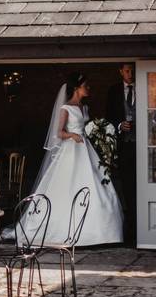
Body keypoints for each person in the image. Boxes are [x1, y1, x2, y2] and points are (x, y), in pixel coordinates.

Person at [20, 72, 123, 246]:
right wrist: (72, 135)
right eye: (86, 86)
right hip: (71, 149)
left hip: (86, 149)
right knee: (67, 187)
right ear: (76, 88)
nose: (88, 88)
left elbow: (89, 127)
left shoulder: (84, 108)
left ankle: (103, 234)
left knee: (98, 185)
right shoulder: (65, 108)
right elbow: (58, 133)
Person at [106, 63, 136, 242]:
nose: (130, 74)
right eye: (127, 71)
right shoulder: (113, 91)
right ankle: (130, 223)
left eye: (132, 70)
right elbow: (108, 115)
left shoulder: (145, 85)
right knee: (127, 185)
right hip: (123, 146)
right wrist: (119, 125)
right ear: (120, 72)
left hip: (142, 145)